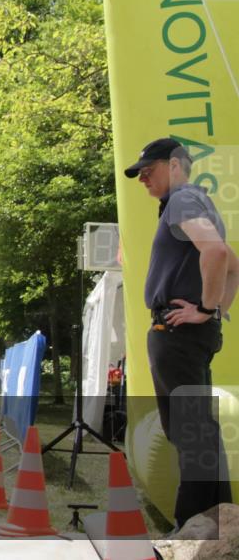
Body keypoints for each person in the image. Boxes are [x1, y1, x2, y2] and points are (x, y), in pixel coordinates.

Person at [125, 137, 235, 528]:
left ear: (174, 164)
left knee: (191, 431)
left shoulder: (183, 200)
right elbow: (233, 264)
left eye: (148, 170)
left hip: (175, 331)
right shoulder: (198, 202)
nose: (142, 179)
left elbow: (219, 254)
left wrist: (205, 310)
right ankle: (218, 520)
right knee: (200, 429)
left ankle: (192, 527)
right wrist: (217, 311)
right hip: (186, 334)